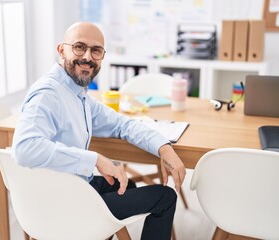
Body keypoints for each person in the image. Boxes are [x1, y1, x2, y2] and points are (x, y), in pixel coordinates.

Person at [12, 21, 186, 240]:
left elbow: (123, 124)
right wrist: (95, 159)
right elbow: (24, 149)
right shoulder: (48, 94)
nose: (87, 57)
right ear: (61, 50)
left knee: (125, 184)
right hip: (59, 203)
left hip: (71, 187)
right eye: (79, 47)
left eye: (96, 51)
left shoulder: (78, 94)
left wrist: (163, 147)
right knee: (165, 197)